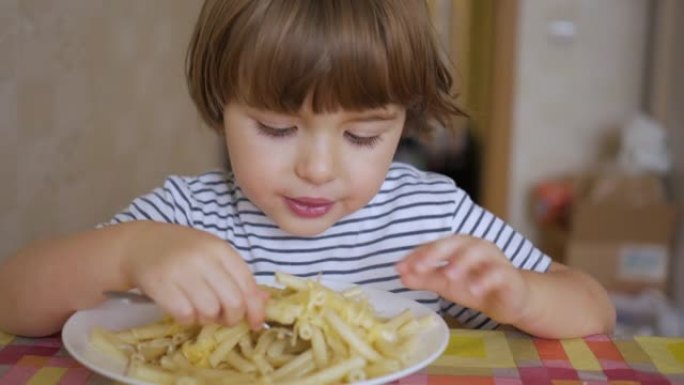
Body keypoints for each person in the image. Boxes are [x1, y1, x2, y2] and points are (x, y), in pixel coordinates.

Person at [0, 0, 615, 339]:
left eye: (362, 135)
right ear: (221, 108)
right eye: (276, 128)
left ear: (405, 121)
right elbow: (12, 300)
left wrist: (520, 295)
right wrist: (129, 252)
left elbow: (594, 308)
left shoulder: (430, 216)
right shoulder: (186, 217)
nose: (318, 168)